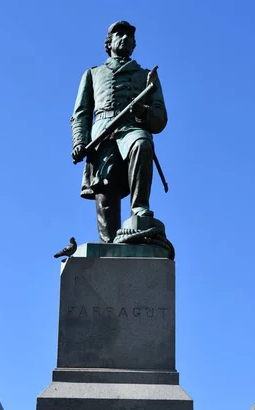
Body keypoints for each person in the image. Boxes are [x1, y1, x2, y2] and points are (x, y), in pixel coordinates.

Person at [71, 21, 168, 243]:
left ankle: (140, 209)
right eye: (119, 35)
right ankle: (109, 244)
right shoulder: (93, 74)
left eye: (129, 37)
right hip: (102, 133)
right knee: (105, 188)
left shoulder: (146, 77)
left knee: (142, 143)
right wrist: (79, 141)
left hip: (132, 128)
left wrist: (142, 111)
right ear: (109, 42)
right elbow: (81, 113)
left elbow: (160, 118)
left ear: (134, 45)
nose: (124, 38)